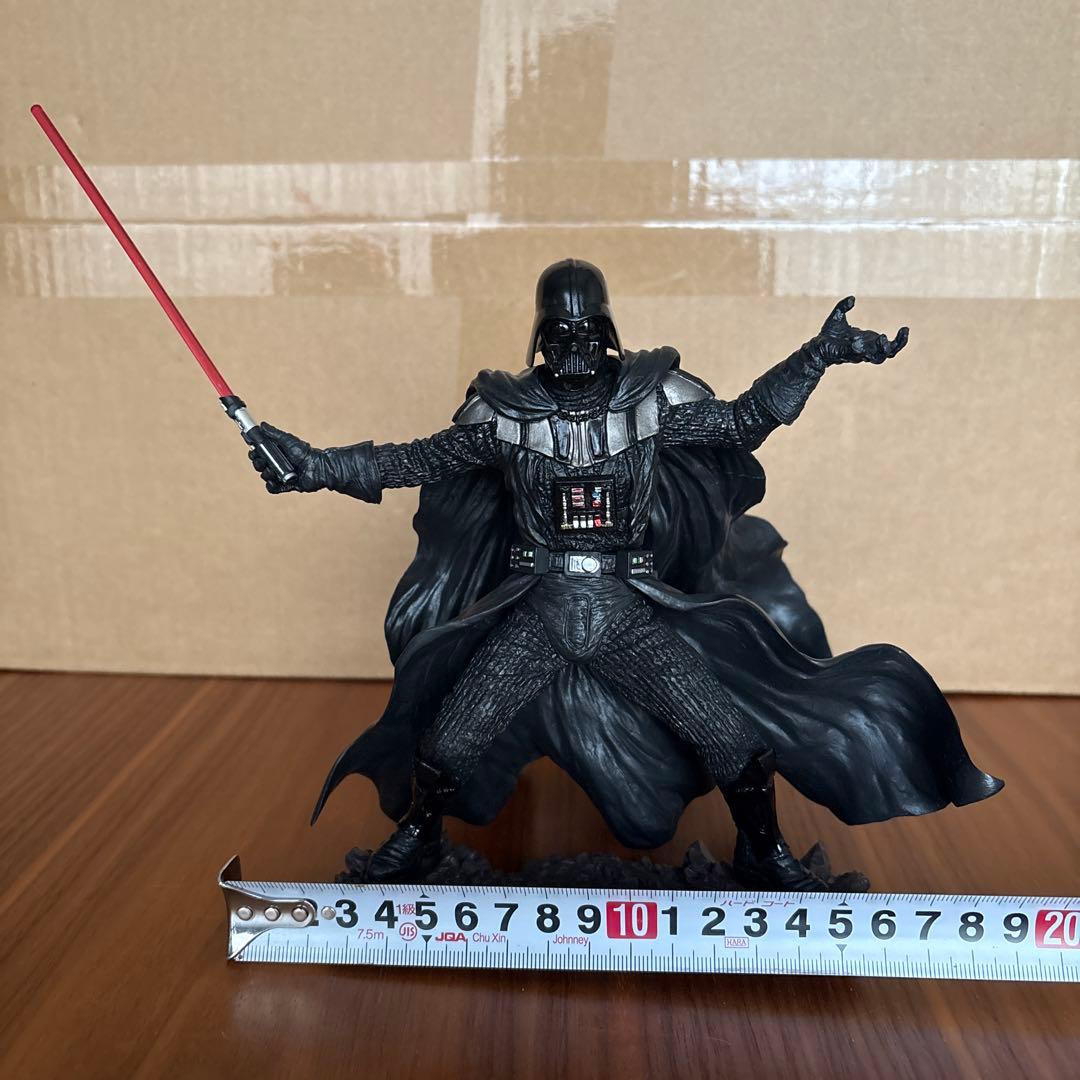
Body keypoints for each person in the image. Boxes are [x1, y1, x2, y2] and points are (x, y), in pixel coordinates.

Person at [249, 259, 1002, 887]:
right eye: (560, 333)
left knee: (732, 741)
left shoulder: (652, 402)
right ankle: (417, 840)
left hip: (622, 609)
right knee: (449, 742)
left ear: (608, 333)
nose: (574, 347)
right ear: (539, 337)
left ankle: (763, 851)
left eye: (588, 332)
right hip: (542, 608)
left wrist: (818, 355)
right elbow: (409, 461)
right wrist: (309, 465)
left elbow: (742, 422)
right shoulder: (504, 414)